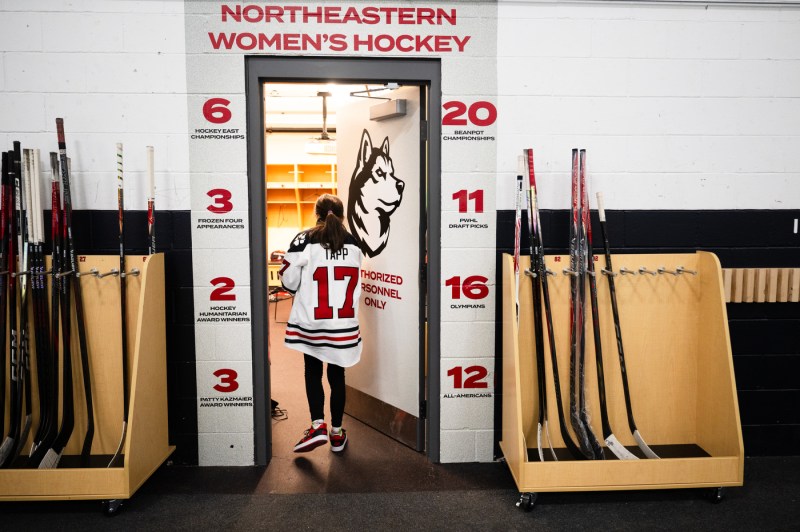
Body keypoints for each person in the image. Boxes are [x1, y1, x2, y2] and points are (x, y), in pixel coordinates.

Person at [278, 194, 363, 453]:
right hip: (343, 325)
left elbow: (288, 282)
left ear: (316, 213)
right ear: (342, 214)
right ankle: (337, 434)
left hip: (312, 322)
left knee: (312, 371)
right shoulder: (355, 242)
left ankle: (317, 426)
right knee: (337, 375)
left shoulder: (303, 239)